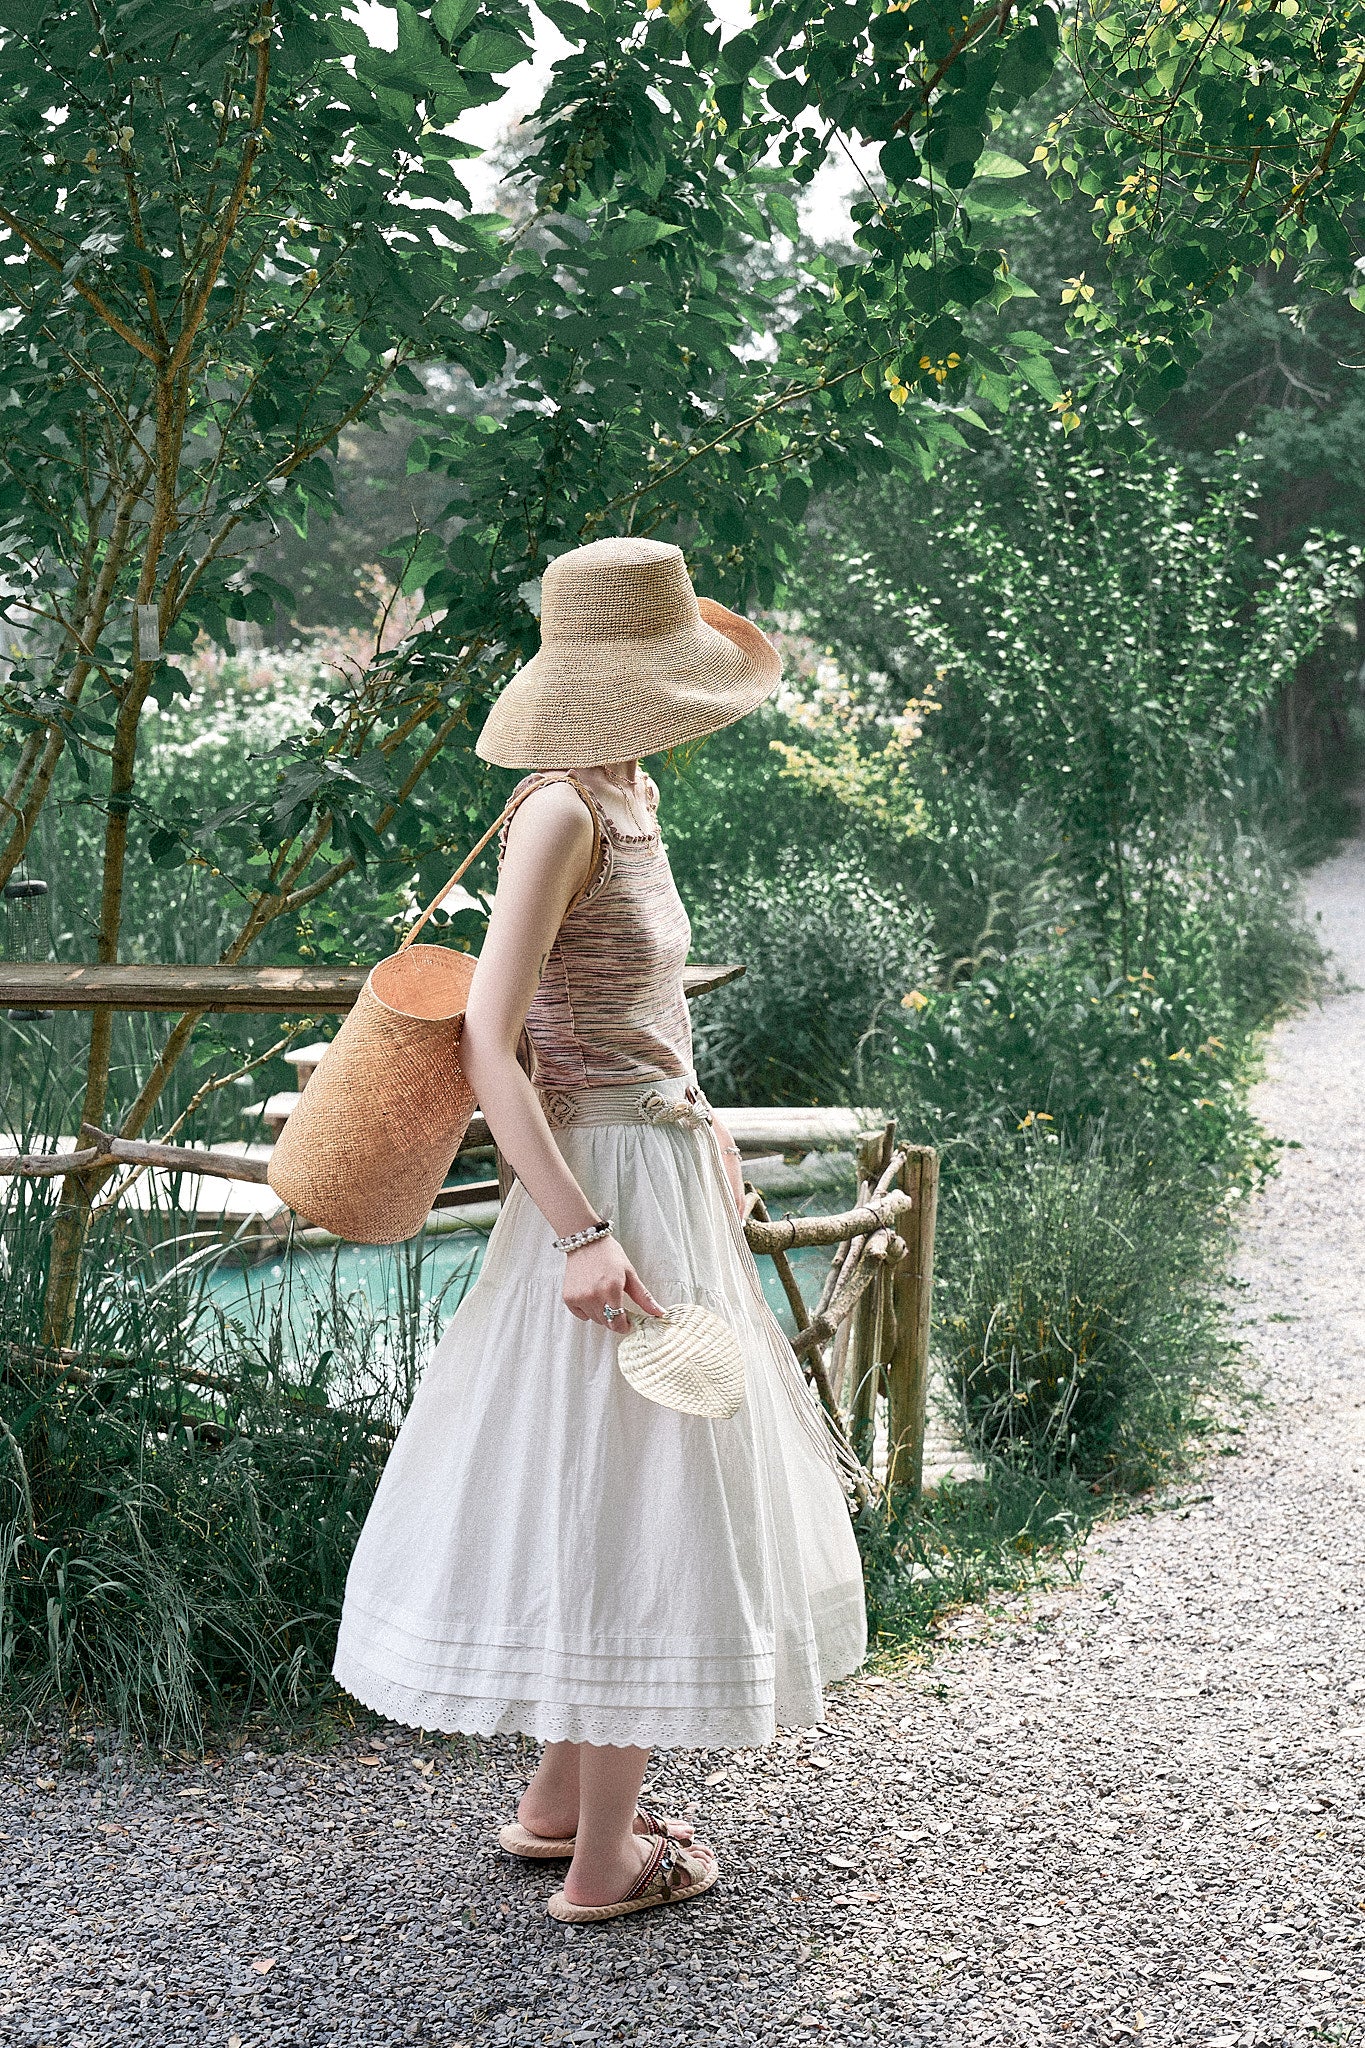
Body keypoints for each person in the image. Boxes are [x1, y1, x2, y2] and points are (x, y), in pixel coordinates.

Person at [332, 537, 867, 1924]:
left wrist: (712, 1151)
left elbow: (643, 1020)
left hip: (658, 1161)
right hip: (601, 1182)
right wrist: (580, 1233)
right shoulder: (560, 813)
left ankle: (561, 1804)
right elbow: (496, 1049)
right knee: (645, 1488)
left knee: (620, 1464)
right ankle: (604, 1866)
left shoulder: (625, 800)